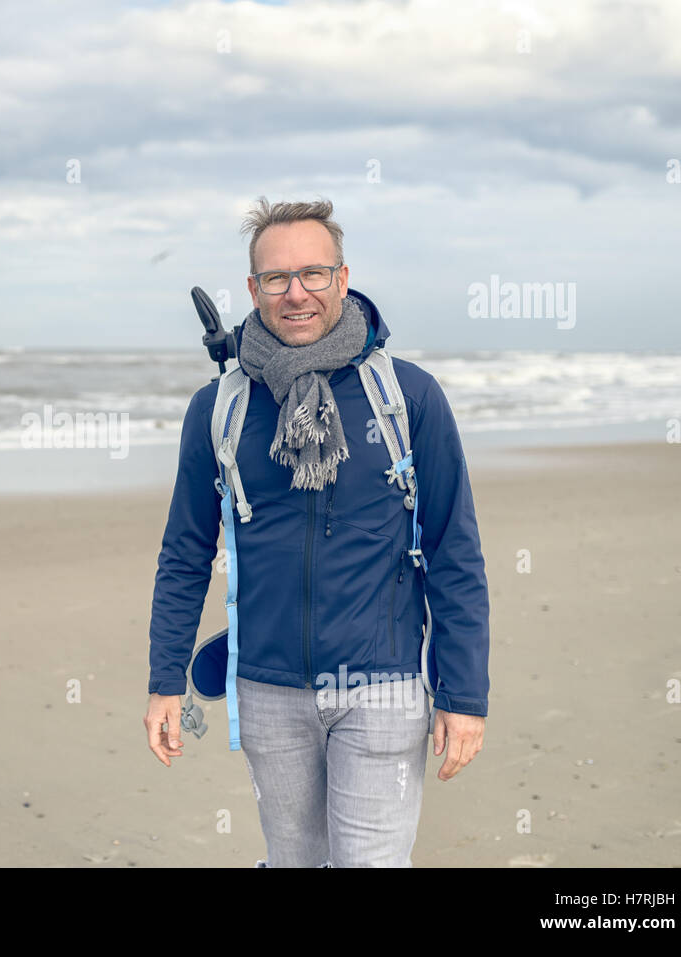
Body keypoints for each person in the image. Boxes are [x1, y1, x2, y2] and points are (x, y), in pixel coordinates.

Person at [143, 197, 490, 867]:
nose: (295, 292)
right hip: (268, 687)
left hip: (384, 683)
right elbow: (186, 551)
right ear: (253, 289)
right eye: (276, 278)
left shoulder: (409, 398)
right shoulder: (219, 409)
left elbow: (455, 551)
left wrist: (464, 693)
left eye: (313, 273)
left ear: (342, 276)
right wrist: (165, 679)